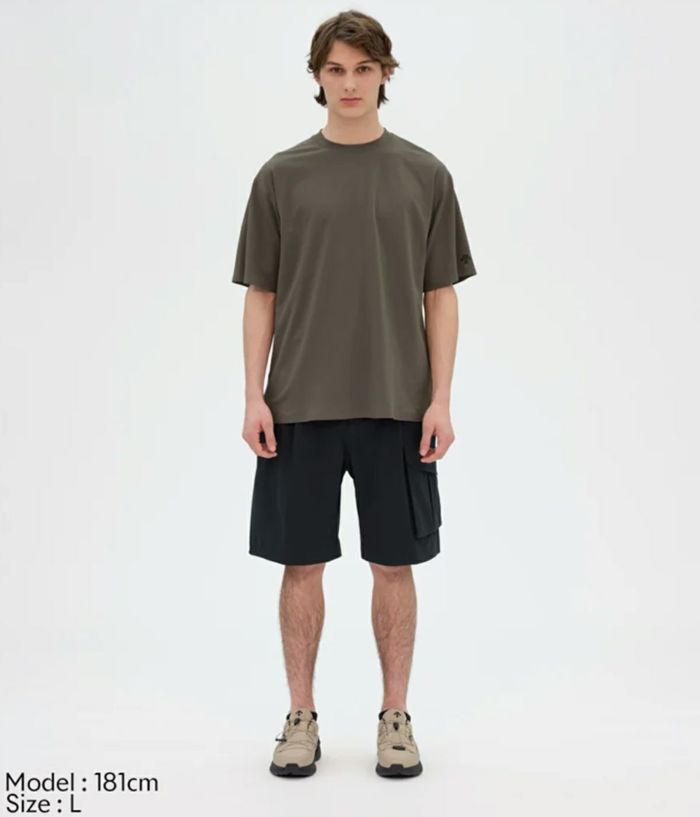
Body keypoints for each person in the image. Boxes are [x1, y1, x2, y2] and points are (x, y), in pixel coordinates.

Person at [231, 10, 478, 778]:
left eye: (363, 69)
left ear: (384, 75)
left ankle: (395, 717)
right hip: (298, 406)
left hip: (398, 406)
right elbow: (261, 295)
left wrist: (440, 399)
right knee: (300, 565)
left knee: (394, 566)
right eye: (335, 69)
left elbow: (441, 294)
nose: (349, 83)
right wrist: (253, 395)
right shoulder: (281, 176)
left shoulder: (425, 174)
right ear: (317, 76)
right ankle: (300, 716)